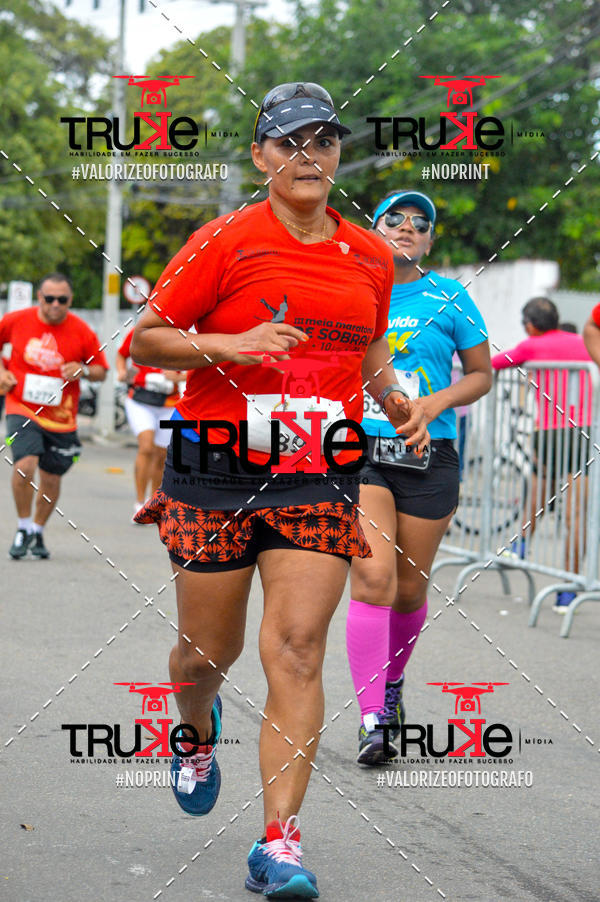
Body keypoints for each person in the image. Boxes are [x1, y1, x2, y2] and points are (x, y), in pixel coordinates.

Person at [130, 82, 428, 900]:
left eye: (324, 141)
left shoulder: (368, 253)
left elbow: (369, 353)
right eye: (291, 142)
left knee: (296, 649)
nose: (310, 155)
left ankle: (279, 844)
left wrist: (398, 401)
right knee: (203, 658)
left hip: (316, 470)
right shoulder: (222, 240)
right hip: (215, 468)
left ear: (338, 155)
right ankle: (193, 730)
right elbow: (145, 338)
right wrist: (239, 341)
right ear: (262, 155)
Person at [345, 190, 492, 765]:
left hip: (429, 452)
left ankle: (394, 681)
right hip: (362, 451)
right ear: (374, 229)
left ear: (430, 241)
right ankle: (372, 717)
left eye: (420, 223)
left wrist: (431, 406)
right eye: (394, 219)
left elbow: (480, 376)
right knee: (374, 578)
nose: (406, 227)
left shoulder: (448, 296)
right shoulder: (355, 288)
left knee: (409, 588)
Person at [492, 297, 592, 610]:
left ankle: (520, 545)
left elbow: (492, 365)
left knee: (538, 496)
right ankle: (569, 588)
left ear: (531, 325)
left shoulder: (531, 346)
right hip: (583, 432)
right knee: (576, 515)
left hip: (547, 433)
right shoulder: (583, 342)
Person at [0, 273, 108, 559]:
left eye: (62, 299)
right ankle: (22, 527)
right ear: (40, 298)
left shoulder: (82, 331)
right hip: (21, 406)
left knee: (51, 479)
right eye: (50, 299)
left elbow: (101, 370)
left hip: (61, 416)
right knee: (25, 464)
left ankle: (37, 530)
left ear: (70, 300)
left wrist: (82, 370)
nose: (56, 305)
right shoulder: (17, 320)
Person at [115, 328, 185, 519]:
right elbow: (121, 355)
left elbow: (199, 367)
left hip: (168, 402)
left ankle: (154, 502)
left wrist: (179, 377)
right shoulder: (140, 331)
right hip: (140, 400)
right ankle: (139, 502)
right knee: (146, 447)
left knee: (162, 453)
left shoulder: (182, 334)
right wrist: (122, 372)